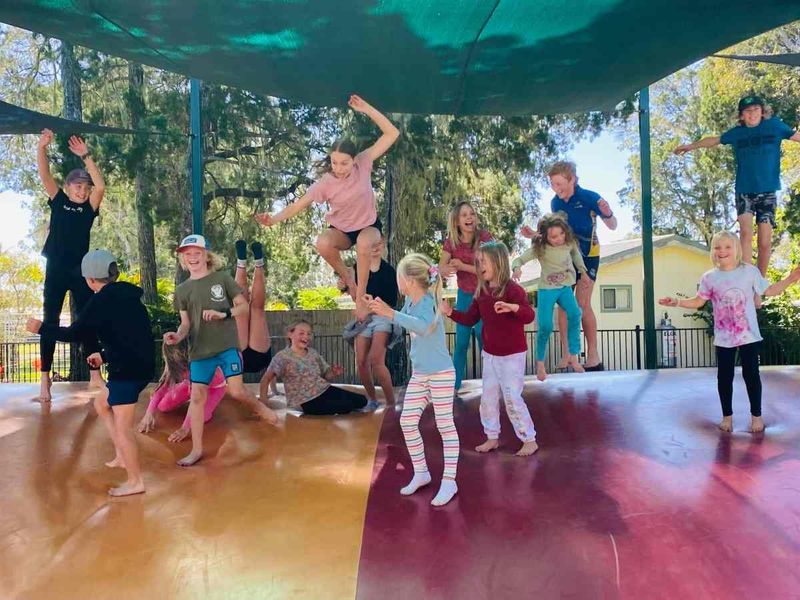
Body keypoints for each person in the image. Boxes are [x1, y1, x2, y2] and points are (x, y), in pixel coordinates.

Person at [26, 250, 154, 496]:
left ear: (90, 279)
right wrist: (104, 356)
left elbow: (74, 334)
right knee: (100, 403)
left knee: (124, 427)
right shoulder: (130, 297)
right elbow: (133, 338)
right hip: (141, 367)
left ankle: (135, 480)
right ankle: (120, 453)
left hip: (126, 372)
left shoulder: (100, 301)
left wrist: (42, 328)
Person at [255, 94, 399, 301]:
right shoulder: (326, 183)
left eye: (344, 163)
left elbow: (392, 133)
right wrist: (274, 219)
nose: (339, 169)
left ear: (353, 160)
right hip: (342, 230)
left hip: (368, 226)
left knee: (363, 243)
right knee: (322, 243)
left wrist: (367, 109)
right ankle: (348, 275)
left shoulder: (364, 161)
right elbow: (299, 205)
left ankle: (360, 295)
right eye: (334, 163)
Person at [659, 231, 800, 433]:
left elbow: (769, 291)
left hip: (748, 336)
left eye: (727, 247)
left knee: (752, 375)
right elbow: (699, 301)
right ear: (713, 252)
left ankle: (756, 417)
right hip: (724, 338)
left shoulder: (749, 272)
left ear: (737, 250)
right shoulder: (709, 278)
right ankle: (727, 417)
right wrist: (677, 302)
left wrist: (791, 278)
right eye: (717, 247)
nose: (722, 251)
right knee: (724, 378)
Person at [164, 234, 278, 467]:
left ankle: (258, 406)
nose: (193, 258)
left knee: (236, 392)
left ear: (206, 255)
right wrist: (177, 336)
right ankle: (196, 450)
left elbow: (244, 306)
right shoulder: (182, 290)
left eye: (197, 253)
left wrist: (222, 314)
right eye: (188, 255)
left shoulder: (222, 279)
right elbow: (185, 323)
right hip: (200, 351)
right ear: (183, 260)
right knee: (196, 397)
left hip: (227, 347)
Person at [368, 254, 460, 506]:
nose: (398, 281)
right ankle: (422, 472)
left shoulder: (430, 302)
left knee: (445, 426)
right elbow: (402, 318)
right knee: (408, 422)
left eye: (399, 276)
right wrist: (377, 306)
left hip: (440, 373)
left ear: (408, 280)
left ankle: (449, 481)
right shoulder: (410, 300)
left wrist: (391, 313)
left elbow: (421, 326)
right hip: (420, 375)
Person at [674, 95, 800, 275]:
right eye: (748, 111)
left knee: (764, 242)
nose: (752, 114)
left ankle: (759, 282)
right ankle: (747, 278)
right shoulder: (737, 133)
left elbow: (796, 136)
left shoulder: (775, 126)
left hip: (768, 192)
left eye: (756, 109)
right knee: (746, 235)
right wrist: (689, 146)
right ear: (741, 115)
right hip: (744, 192)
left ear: (762, 111)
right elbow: (713, 140)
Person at [440, 241, 538, 457]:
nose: (478, 264)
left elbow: (529, 315)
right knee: (488, 398)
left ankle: (529, 439)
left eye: (483, 261)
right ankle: (492, 436)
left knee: (512, 397)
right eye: (478, 261)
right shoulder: (482, 292)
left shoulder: (513, 290)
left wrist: (513, 307)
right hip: (491, 355)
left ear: (498, 261)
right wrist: (450, 313)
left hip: (512, 356)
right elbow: (469, 318)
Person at [36, 128, 105, 401]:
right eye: (78, 185)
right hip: (55, 269)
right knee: (50, 321)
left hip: (80, 271)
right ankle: (45, 380)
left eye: (85, 187)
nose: (82, 189)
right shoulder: (60, 201)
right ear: (68, 187)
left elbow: (101, 186)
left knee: (86, 319)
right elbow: (45, 175)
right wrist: (42, 147)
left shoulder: (89, 208)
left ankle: (95, 376)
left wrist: (86, 156)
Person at [541, 161, 617, 371]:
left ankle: (593, 356)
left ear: (572, 179)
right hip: (566, 259)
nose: (557, 189)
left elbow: (613, 226)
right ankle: (569, 355)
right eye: (553, 185)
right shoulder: (555, 204)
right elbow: (555, 234)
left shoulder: (590, 197)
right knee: (563, 306)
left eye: (559, 184)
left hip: (589, 255)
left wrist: (608, 213)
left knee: (582, 305)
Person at [512, 213, 585, 380]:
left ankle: (573, 355)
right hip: (547, 290)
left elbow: (575, 254)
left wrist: (582, 270)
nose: (559, 238)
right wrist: (516, 268)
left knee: (575, 314)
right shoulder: (541, 248)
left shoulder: (568, 243)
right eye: (553, 236)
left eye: (561, 234)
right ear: (545, 237)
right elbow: (519, 259)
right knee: (545, 326)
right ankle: (540, 365)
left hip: (565, 288)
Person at [438, 201, 494, 391]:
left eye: (472, 213)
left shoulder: (485, 237)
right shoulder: (451, 242)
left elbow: (491, 268)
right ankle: (453, 386)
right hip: (464, 295)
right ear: (456, 221)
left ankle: (492, 382)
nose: (470, 217)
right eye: (464, 215)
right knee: (461, 341)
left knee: (483, 336)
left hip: (484, 294)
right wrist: (445, 269)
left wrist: (462, 266)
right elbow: (441, 265)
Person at [259, 320, 368, 415]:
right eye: (301, 333)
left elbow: (326, 375)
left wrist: (333, 372)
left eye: (308, 334)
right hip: (305, 400)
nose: (306, 336)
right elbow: (266, 379)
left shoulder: (313, 353)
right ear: (290, 334)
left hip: (324, 390)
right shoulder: (282, 357)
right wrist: (263, 405)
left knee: (362, 401)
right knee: (346, 406)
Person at [137, 340, 227, 442]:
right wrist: (148, 414)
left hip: (214, 388)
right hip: (190, 384)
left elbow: (196, 400)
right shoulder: (174, 365)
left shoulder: (201, 366)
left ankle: (204, 399)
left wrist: (184, 428)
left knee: (202, 417)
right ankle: (188, 389)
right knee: (162, 406)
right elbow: (162, 388)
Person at [350, 237, 397, 408]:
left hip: (381, 317)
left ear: (383, 245)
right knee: (361, 361)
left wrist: (369, 307)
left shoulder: (390, 271)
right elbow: (352, 292)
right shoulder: (357, 268)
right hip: (364, 318)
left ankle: (391, 402)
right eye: (372, 243)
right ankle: (372, 399)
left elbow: (391, 302)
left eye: (378, 243)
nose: (375, 247)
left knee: (376, 359)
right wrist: (346, 285)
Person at [233, 240, 278, 394]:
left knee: (254, 309)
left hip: (242, 357)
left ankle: (256, 263)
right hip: (255, 357)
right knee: (251, 309)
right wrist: (274, 392)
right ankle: (245, 262)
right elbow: (271, 374)